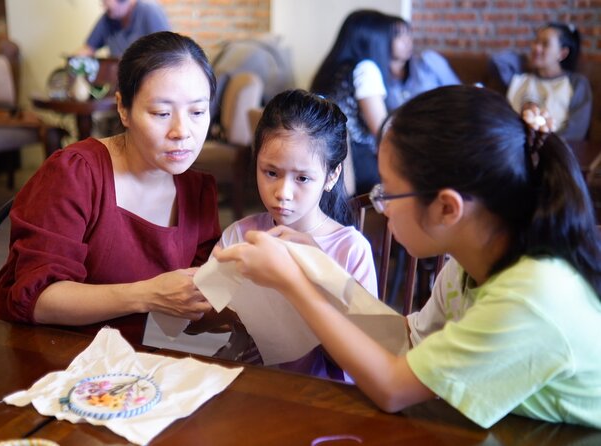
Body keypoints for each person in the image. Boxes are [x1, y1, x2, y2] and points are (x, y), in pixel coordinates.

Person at [213, 85, 601, 429]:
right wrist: (316, 267)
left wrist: (293, 282)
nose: (381, 208)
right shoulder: (467, 266)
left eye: (389, 194)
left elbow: (393, 387)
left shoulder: (530, 297)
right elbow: (403, 339)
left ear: (447, 208)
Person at [0, 32, 220, 345]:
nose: (182, 132)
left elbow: (194, 312)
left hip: (106, 371)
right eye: (161, 113)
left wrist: (268, 289)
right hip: (19, 350)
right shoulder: (76, 173)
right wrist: (147, 295)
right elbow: (38, 300)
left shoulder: (196, 192)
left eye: (198, 112)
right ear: (123, 108)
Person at [214, 89, 377, 379]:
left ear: (332, 175)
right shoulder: (241, 235)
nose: (283, 194)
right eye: (271, 173)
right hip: (249, 384)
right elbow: (206, 320)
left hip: (321, 395)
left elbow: (366, 353)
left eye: (302, 178)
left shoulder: (350, 249)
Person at [310, 10, 459, 195]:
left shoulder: (333, 70)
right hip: (358, 163)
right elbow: (382, 130)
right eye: (388, 36)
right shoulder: (366, 69)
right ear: (373, 39)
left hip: (327, 157)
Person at [491, 22, 592, 142]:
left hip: (550, 152)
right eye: (535, 42)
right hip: (510, 146)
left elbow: (575, 133)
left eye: (545, 44)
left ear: (562, 53)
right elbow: (497, 60)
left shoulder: (576, 83)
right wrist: (528, 59)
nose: (536, 48)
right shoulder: (519, 77)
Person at [78, 0, 170, 57]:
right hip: (120, 80)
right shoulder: (108, 18)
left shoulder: (149, 10)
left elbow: (166, 50)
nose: (105, 9)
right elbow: (88, 49)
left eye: (109, 7)